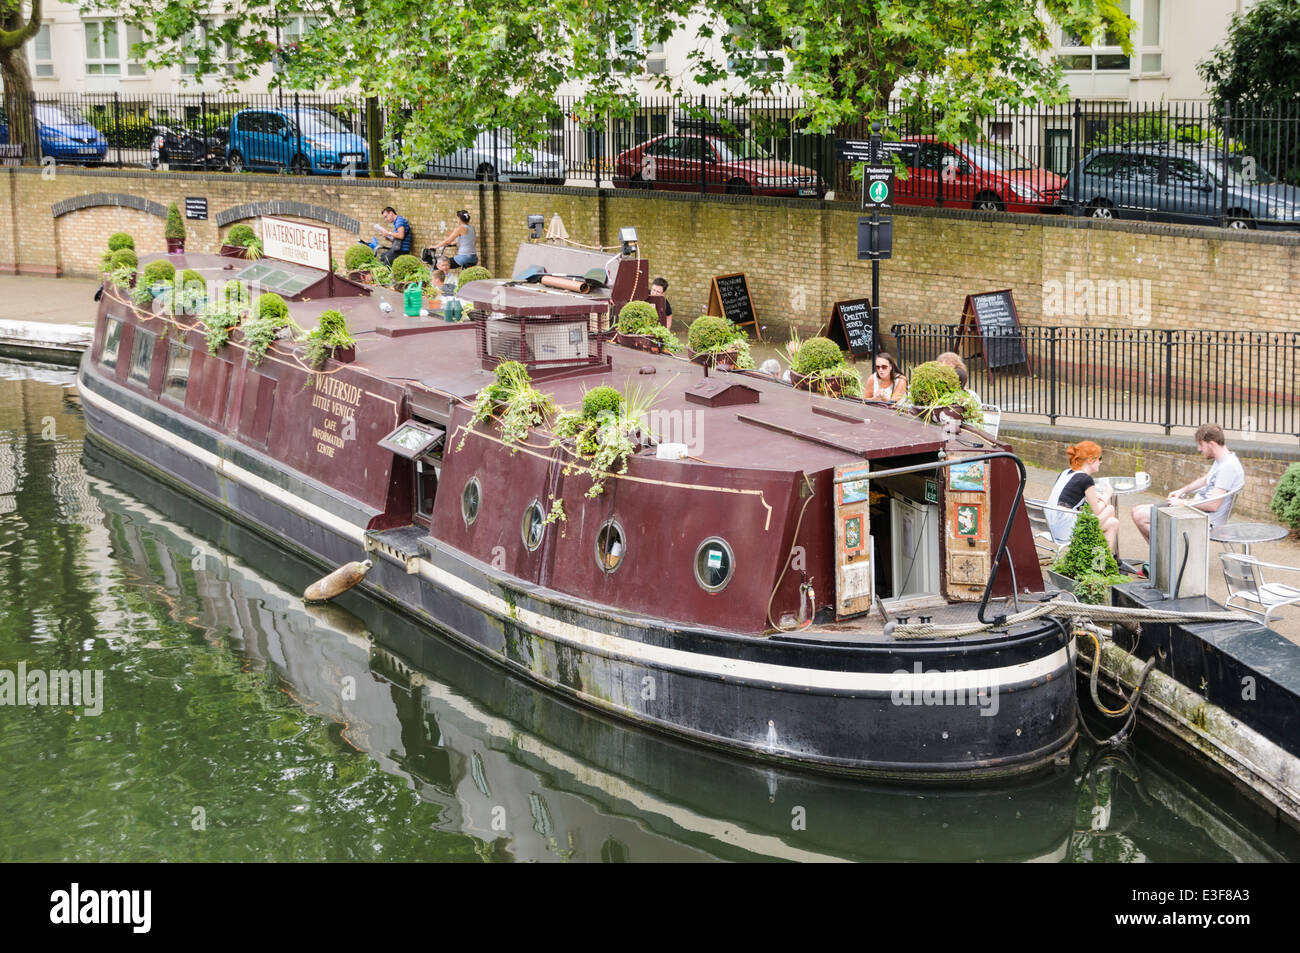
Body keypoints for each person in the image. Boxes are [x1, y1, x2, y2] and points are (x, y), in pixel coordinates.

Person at [1132, 423, 1245, 543]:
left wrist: (1182, 503)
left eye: (1201, 445)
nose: (1199, 449)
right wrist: (1182, 491)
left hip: (1204, 520)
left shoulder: (1228, 467)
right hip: (1195, 511)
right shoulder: (1223, 460)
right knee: (1135, 510)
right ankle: (1166, 557)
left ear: (1211, 444)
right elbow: (1205, 480)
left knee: (1139, 516)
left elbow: (1213, 505)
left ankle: (1169, 557)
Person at [1046, 440, 1119, 553]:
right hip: (1066, 531)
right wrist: (1106, 496)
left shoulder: (1065, 473)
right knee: (1110, 509)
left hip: (1052, 526)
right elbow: (1096, 511)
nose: (1100, 462)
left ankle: (1097, 559)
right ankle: (1100, 563)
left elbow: (1070, 497)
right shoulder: (1085, 479)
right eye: (1099, 458)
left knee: (1113, 522)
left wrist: (1097, 496)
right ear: (1090, 460)